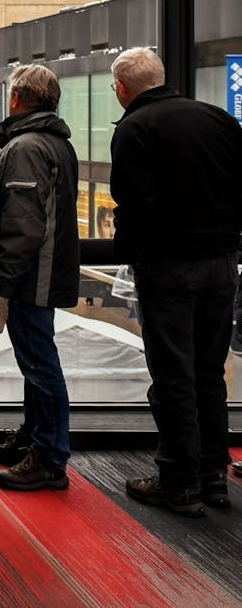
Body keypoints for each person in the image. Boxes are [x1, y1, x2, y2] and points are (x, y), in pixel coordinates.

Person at [108, 47, 242, 516]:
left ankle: (179, 480)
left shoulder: (135, 129)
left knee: (173, 375)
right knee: (209, 372)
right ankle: (212, 475)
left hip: (169, 267)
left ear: (123, 89)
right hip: (222, 263)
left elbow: (132, 203)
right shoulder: (218, 120)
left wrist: (135, 249)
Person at [0, 63, 80, 492]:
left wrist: (0, 282)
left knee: (40, 365)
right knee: (36, 361)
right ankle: (34, 439)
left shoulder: (25, 148)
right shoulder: (58, 144)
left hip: (31, 277)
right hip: (47, 271)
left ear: (17, 99)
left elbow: (22, 226)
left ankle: (50, 456)